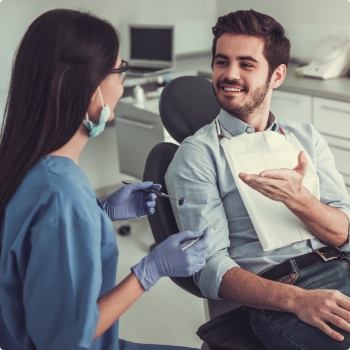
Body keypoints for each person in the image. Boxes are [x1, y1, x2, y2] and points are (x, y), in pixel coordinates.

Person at [0, 9, 210, 350]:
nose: (122, 83)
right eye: (120, 71)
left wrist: (100, 212)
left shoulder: (24, 162)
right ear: (89, 88)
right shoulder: (61, 195)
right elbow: (64, 341)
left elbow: (34, 246)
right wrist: (150, 270)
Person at [165, 9, 350, 350]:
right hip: (285, 287)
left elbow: (342, 231)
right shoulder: (197, 154)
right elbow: (209, 269)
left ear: (277, 75)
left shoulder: (305, 137)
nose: (229, 74)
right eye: (222, 62)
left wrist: (301, 200)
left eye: (246, 64)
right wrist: (298, 300)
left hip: (342, 265)